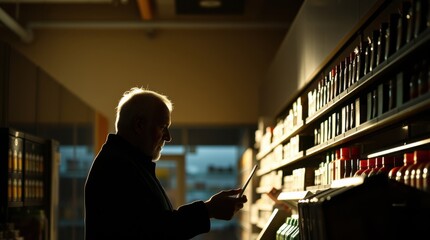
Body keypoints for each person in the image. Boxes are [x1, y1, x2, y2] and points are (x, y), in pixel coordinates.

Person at [84, 87, 247, 239]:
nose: (168, 137)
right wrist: (208, 210)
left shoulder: (127, 163)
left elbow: (153, 223)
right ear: (139, 125)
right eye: (163, 127)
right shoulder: (117, 167)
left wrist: (208, 209)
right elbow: (154, 231)